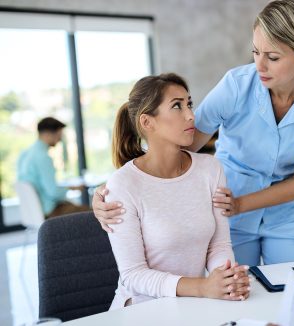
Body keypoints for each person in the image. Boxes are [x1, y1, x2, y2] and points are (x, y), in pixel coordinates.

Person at [93, 0, 294, 266]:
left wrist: (242, 203)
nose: (260, 65)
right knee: (239, 295)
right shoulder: (235, 86)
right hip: (226, 211)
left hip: (288, 215)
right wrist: (117, 188)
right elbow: (179, 148)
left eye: (273, 57)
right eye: (256, 52)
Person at [104, 73, 250, 309]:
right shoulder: (122, 185)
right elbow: (133, 274)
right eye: (177, 106)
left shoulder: (210, 169)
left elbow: (219, 245)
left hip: (193, 305)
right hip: (142, 308)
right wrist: (202, 287)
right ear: (147, 122)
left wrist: (225, 280)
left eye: (189, 104)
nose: (191, 115)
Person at [17, 117, 89, 218]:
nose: (59, 140)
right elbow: (53, 192)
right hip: (50, 211)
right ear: (47, 134)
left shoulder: (24, 154)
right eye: (58, 135)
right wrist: (72, 188)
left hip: (33, 212)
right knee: (94, 213)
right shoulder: (43, 157)